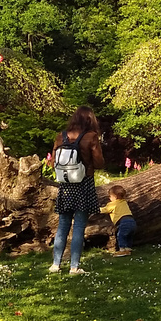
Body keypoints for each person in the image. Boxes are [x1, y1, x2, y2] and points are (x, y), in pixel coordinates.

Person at [49, 107, 104, 275]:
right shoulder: (91, 137)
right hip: (83, 184)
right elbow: (100, 163)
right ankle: (74, 266)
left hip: (65, 186)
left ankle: (55, 265)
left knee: (63, 225)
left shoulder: (61, 136)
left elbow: (52, 163)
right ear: (90, 120)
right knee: (79, 226)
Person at [101, 184, 136, 256]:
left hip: (123, 222)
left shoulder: (113, 204)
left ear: (115, 197)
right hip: (132, 221)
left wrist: (96, 209)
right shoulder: (124, 202)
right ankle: (128, 248)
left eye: (110, 196)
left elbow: (105, 210)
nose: (109, 198)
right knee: (129, 235)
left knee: (121, 235)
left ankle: (122, 249)